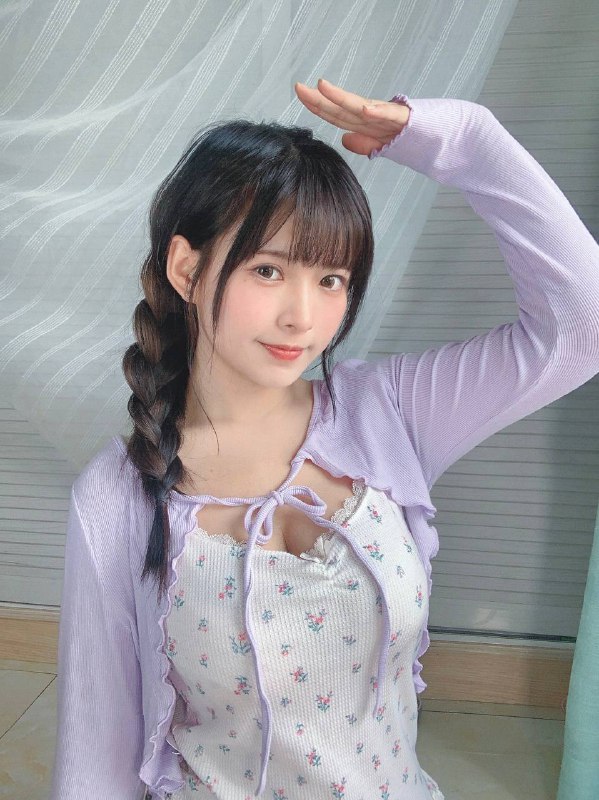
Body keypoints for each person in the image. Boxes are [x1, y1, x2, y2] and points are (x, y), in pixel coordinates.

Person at [50, 79, 599, 800]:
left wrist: (465, 140)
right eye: (268, 270)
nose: (302, 318)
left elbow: (581, 327)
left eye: (332, 279)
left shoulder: (387, 412)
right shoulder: (115, 496)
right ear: (187, 268)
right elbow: (95, 757)